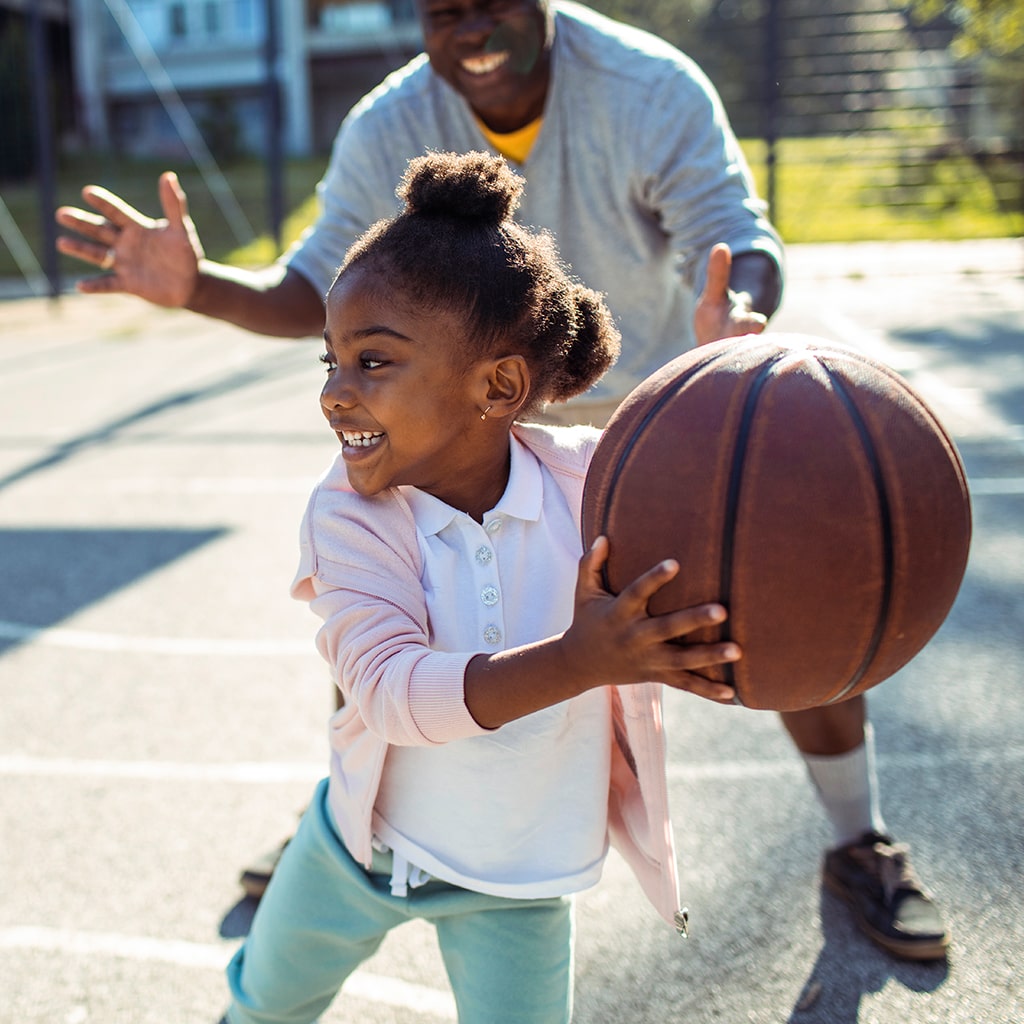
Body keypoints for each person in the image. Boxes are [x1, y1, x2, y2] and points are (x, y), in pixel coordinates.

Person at [55, 0, 948, 962]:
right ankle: (352, 823)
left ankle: (859, 838)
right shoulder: (389, 121)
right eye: (443, 10)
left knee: (775, 581)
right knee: (385, 613)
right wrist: (198, 286)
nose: (469, 26)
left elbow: (735, 231)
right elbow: (314, 284)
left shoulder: (646, 86)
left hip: (640, 424)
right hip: (447, 424)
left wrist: (737, 311)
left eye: (490, 3)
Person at [222, 148, 741, 1024]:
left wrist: (725, 393)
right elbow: (388, 693)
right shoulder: (348, 516)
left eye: (373, 363)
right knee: (263, 1007)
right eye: (331, 363)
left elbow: (705, 500)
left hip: (519, 875)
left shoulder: (589, 486)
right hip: (362, 849)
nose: (336, 395)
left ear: (498, 385)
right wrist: (579, 660)